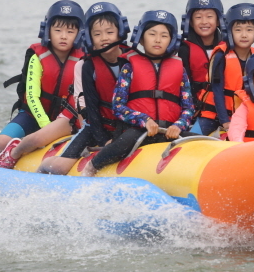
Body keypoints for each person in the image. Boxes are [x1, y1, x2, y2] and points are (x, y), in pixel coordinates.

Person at [0, 2, 130, 173]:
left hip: (115, 122)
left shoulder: (130, 60)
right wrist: (99, 137)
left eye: (110, 32)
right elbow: (83, 106)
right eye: (98, 33)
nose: (64, 36)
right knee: (36, 140)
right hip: (76, 117)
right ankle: (13, 153)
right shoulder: (84, 65)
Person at [81, 10, 195, 177]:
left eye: (164, 35)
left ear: (172, 40)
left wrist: (179, 125)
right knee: (125, 142)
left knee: (197, 139)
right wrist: (144, 120)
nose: (157, 40)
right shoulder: (129, 67)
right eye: (152, 34)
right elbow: (118, 106)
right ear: (141, 37)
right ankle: (92, 166)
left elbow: (188, 108)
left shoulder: (179, 69)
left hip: (169, 130)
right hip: (137, 129)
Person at [0, 0, 85, 165]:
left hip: (66, 121)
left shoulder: (83, 60)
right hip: (32, 116)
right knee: (0, 143)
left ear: (79, 33)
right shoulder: (37, 57)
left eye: (70, 31)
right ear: (47, 30)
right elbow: (32, 97)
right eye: (58, 30)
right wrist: (46, 126)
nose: (63, 36)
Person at [190, 3, 254, 136]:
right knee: (191, 137)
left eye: (249, 30)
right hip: (213, 116)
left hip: (243, 115)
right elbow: (217, 90)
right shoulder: (221, 56)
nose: (244, 35)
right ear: (228, 32)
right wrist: (225, 121)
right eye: (238, 30)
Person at [178, 0, 226, 105]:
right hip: (196, 105)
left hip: (224, 105)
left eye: (209, 16)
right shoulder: (184, 49)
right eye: (198, 17)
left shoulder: (227, 48)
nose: (204, 21)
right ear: (190, 22)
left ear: (218, 20)